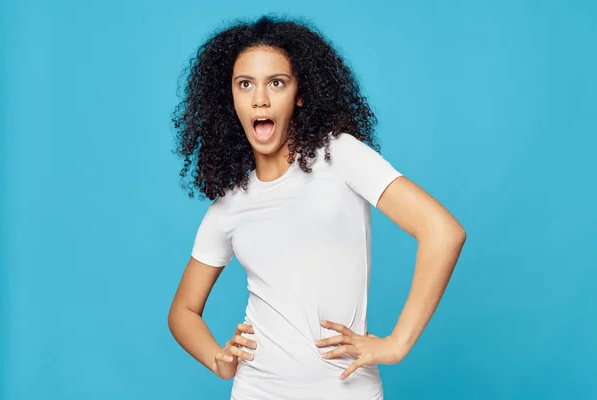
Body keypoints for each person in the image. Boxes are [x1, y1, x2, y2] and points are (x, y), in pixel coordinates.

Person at [168, 15, 466, 400]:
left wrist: (397, 343)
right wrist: (217, 358)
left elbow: (443, 232)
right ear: (232, 100)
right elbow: (183, 311)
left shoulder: (340, 155)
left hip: (345, 390)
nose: (260, 98)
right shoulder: (229, 206)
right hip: (257, 390)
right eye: (245, 85)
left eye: (276, 83)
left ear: (300, 94)